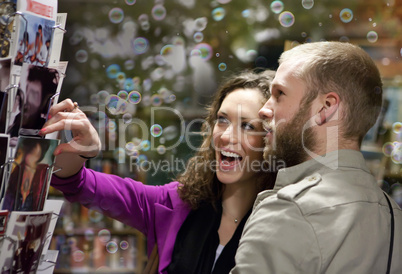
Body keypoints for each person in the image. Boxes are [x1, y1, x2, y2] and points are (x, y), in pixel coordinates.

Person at [42, 70, 277, 273]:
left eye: (247, 126)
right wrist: (81, 150)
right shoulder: (178, 203)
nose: (226, 136)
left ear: (272, 139)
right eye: (222, 120)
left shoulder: (283, 224)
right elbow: (79, 183)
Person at [231, 41, 402, 273]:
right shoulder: (393, 216)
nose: (264, 109)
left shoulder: (289, 212)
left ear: (326, 107)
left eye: (280, 93)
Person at [2, 137, 50, 212]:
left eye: (33, 153)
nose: (27, 156)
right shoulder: (16, 171)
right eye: (30, 152)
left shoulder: (41, 174)